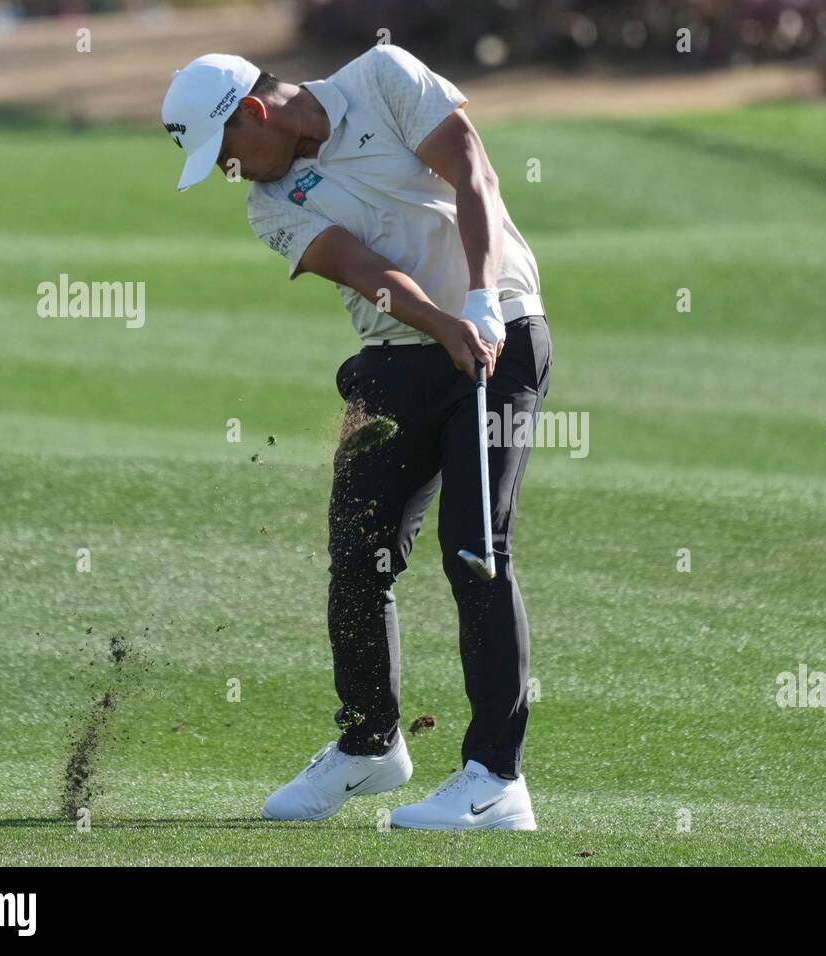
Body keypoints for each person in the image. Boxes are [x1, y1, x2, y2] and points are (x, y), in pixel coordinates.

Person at [161, 46, 551, 830]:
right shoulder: (270, 203)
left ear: (255, 113)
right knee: (357, 551)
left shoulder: (384, 77)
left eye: (228, 153)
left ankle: (496, 779)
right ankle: (371, 745)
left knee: (476, 548)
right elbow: (361, 266)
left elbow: (473, 171)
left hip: (501, 337)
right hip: (396, 358)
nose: (232, 171)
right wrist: (443, 323)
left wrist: (478, 299)